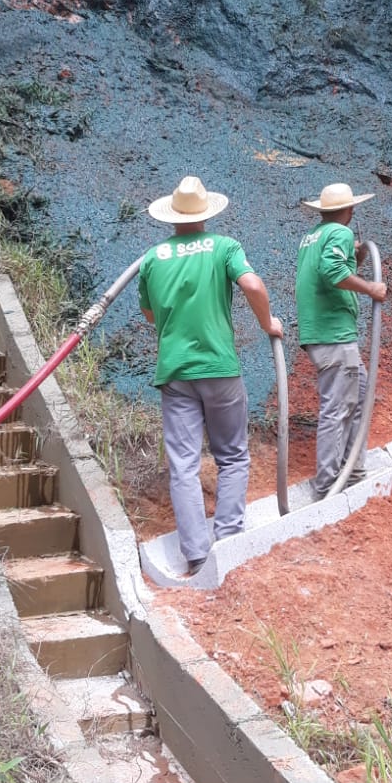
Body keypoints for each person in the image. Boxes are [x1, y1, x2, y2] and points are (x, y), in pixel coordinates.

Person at [139, 175, 282, 576]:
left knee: (183, 464)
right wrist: (268, 323)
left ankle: (197, 555)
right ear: (206, 213)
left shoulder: (153, 258)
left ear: (172, 216)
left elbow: (150, 314)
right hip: (219, 367)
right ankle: (229, 541)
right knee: (233, 455)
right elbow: (252, 283)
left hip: (175, 372)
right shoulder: (223, 247)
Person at [295, 181, 388, 500]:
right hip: (334, 336)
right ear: (348, 211)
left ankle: (353, 472)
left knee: (359, 397)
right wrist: (372, 289)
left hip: (321, 335)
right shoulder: (340, 232)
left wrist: (357, 258)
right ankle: (327, 487)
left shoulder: (312, 236)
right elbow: (333, 273)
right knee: (338, 408)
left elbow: (330, 272)